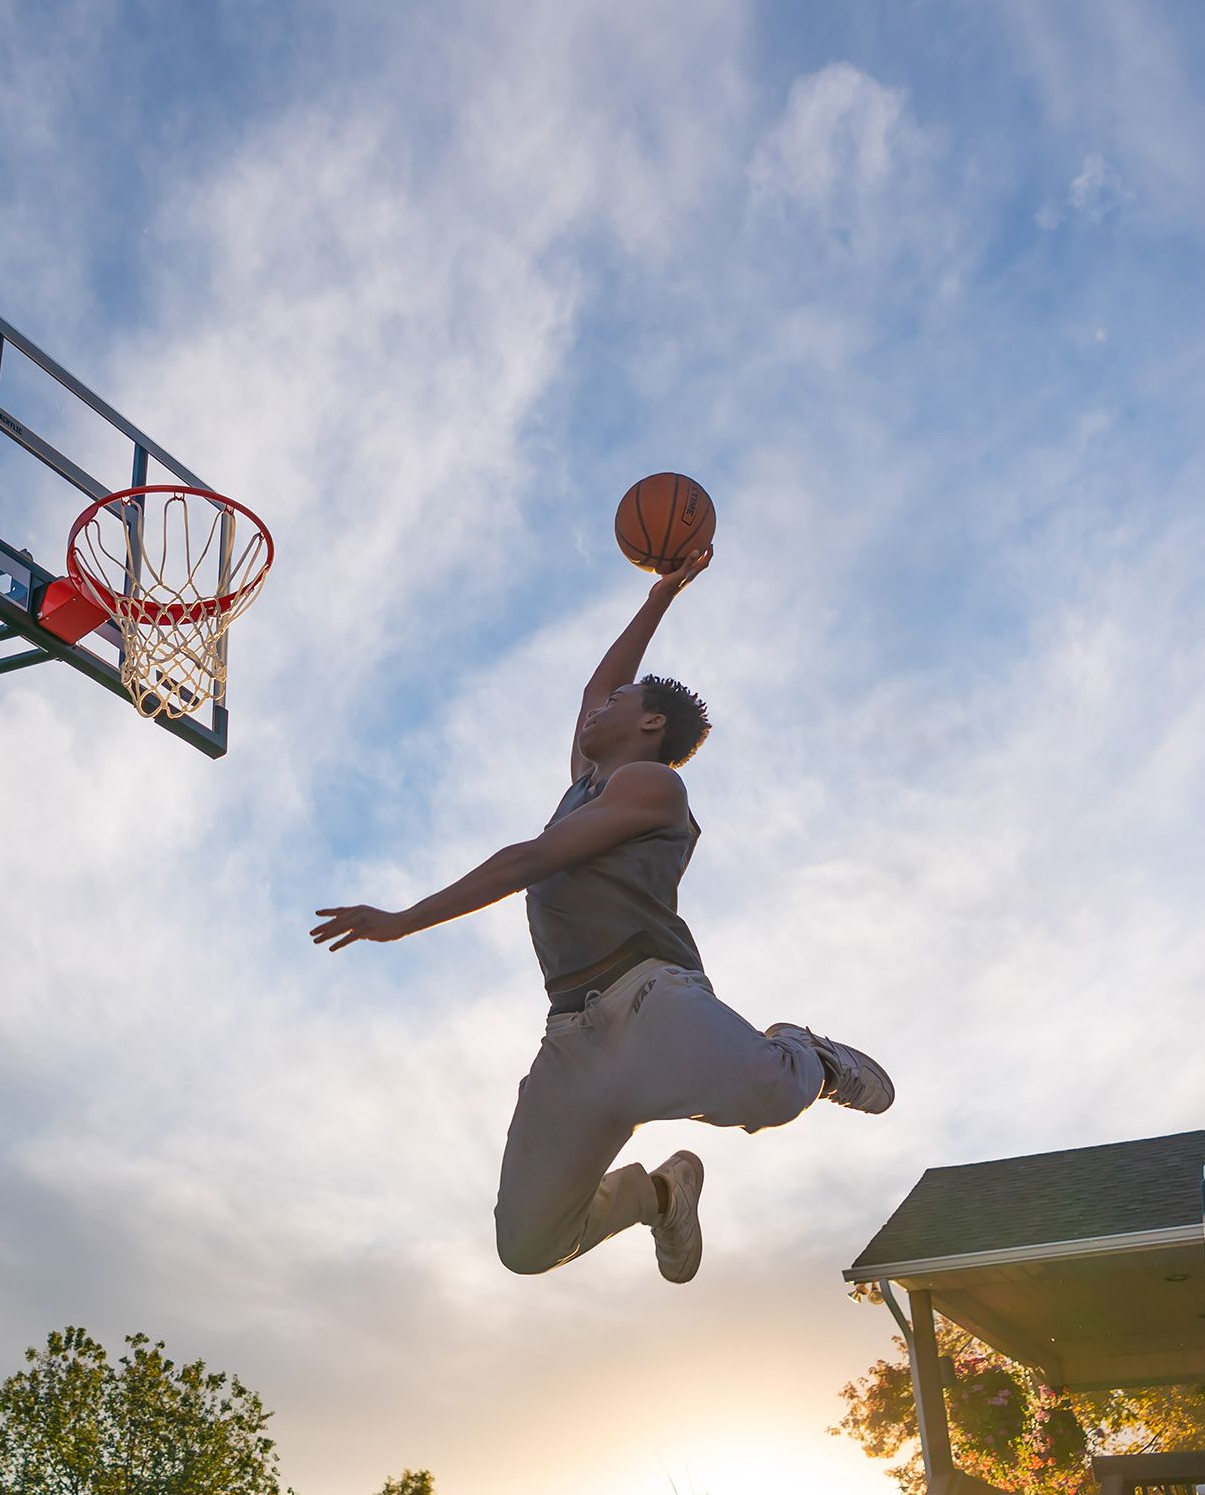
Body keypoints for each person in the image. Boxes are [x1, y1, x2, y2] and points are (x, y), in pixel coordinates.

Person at [310, 546, 891, 1284]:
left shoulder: (653, 787)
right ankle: (660, 1196)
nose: (596, 707)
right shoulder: (586, 783)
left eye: (619, 704)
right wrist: (660, 597)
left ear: (650, 723)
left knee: (770, 1094)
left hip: (647, 1000)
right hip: (573, 1035)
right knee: (528, 1246)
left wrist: (403, 919)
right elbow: (598, 686)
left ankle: (815, 1056)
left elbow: (526, 861)